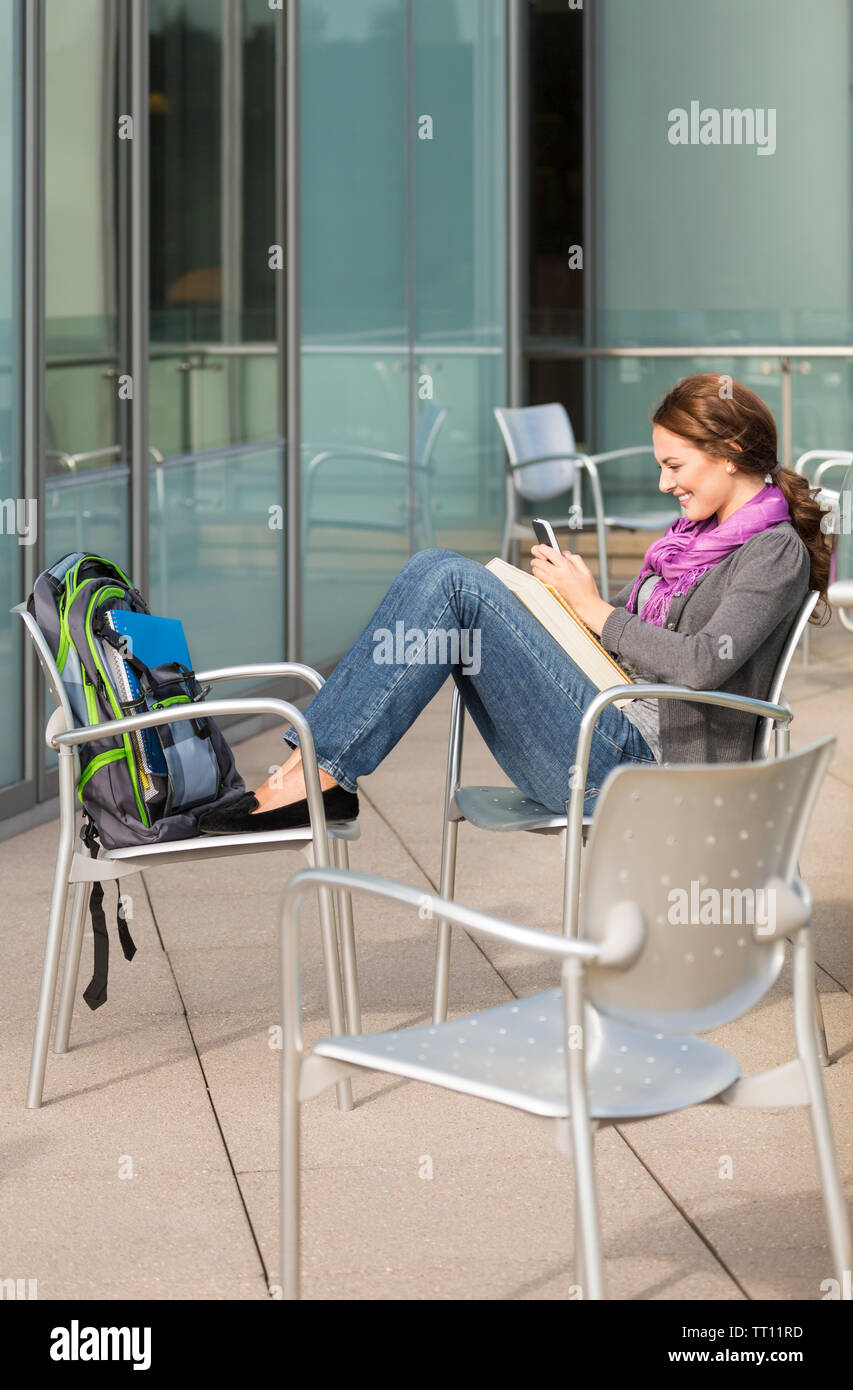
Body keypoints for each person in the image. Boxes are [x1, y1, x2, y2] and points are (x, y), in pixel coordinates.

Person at [198, 374, 829, 835]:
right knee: (435, 566)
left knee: (454, 585)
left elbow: (701, 664)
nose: (665, 484)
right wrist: (559, 603)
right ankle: (313, 772)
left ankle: (313, 775)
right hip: (607, 725)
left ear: (726, 454)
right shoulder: (693, 540)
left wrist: (595, 610)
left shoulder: (772, 552)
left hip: (645, 766)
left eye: (674, 465)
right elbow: (633, 637)